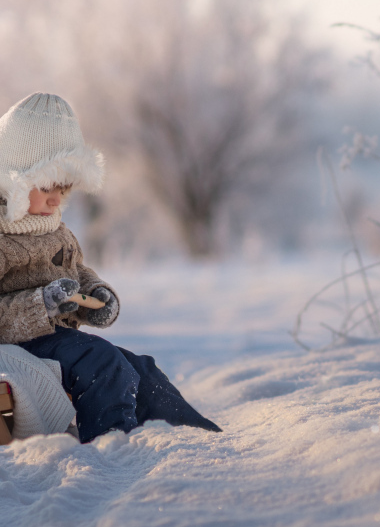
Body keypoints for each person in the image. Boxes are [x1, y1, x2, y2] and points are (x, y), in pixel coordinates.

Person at [0, 92, 221, 443]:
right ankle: (113, 444)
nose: (56, 199)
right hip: (17, 344)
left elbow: (76, 271)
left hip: (57, 339)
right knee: (101, 361)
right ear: (14, 178)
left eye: (64, 188)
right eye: (45, 186)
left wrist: (96, 294)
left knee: (140, 368)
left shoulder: (55, 228)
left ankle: (196, 437)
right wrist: (41, 303)